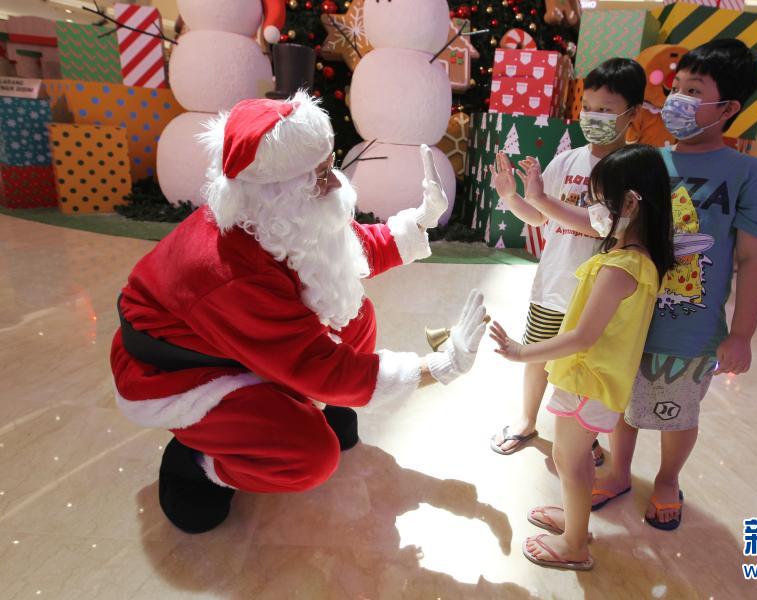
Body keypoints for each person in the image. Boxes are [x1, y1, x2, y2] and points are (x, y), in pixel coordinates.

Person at [111, 92, 488, 534]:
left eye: (331, 166)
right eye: (321, 175)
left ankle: (312, 408)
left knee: (355, 315)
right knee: (312, 455)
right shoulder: (230, 271)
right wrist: (437, 366)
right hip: (177, 372)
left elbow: (340, 249)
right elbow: (316, 364)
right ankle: (197, 462)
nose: (336, 185)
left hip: (241, 341)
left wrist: (420, 221)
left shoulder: (273, 215)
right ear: (276, 191)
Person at [513, 39, 757, 531]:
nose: (677, 100)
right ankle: (617, 471)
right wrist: (538, 203)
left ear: (729, 108)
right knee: (623, 403)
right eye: (676, 88)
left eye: (693, 91)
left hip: (690, 327)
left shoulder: (748, 173)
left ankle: (668, 479)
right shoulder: (650, 160)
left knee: (678, 410)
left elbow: (753, 256)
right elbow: (604, 221)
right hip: (630, 316)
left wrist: (742, 333)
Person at [490, 145, 675, 571]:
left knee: (568, 460)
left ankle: (575, 545)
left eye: (599, 202)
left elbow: (581, 336)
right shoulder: (637, 259)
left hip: (588, 380)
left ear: (630, 204)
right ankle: (576, 519)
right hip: (595, 380)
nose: (591, 211)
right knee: (573, 459)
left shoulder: (620, 267)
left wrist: (522, 351)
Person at [487, 58, 647, 462]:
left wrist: (541, 199)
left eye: (606, 109)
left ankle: (581, 436)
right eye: (588, 107)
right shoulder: (567, 160)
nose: (593, 116)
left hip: (597, 294)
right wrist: (512, 197)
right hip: (554, 284)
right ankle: (527, 420)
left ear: (633, 114)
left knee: (581, 365)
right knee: (538, 355)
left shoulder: (632, 169)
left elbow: (605, 226)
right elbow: (540, 217)